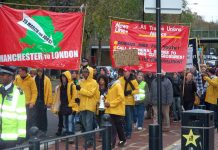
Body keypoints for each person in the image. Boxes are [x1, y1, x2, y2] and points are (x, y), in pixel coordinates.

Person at [0, 66, 26, 149]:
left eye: (3, 74)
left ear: (10, 77)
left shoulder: (18, 92)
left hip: (10, 137)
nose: (0, 76)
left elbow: (21, 115)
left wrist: (21, 135)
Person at [76, 67, 100, 147]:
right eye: (83, 72)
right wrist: (77, 98)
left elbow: (90, 94)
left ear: (89, 73)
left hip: (90, 105)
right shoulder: (81, 82)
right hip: (82, 105)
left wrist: (81, 89)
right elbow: (79, 93)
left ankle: (89, 140)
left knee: (88, 123)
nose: (84, 73)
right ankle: (90, 138)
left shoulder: (94, 82)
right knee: (84, 123)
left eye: (86, 72)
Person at [53, 71, 78, 136]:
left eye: (64, 77)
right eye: (62, 77)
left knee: (70, 121)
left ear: (67, 77)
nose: (63, 79)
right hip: (63, 106)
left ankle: (71, 135)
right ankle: (67, 133)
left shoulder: (72, 85)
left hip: (70, 107)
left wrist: (70, 105)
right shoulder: (60, 87)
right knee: (65, 121)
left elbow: (74, 97)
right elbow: (58, 97)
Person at [14, 67, 37, 138]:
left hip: (28, 104)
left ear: (25, 71)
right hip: (19, 103)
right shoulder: (17, 78)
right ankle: (20, 135)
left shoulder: (31, 80)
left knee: (28, 120)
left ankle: (27, 135)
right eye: (19, 71)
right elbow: (13, 87)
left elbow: (34, 92)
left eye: (20, 71)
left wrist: (32, 102)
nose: (19, 72)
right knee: (19, 119)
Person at [105, 72, 126, 148]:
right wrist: (105, 101)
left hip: (117, 111)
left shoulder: (117, 85)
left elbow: (120, 98)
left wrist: (110, 104)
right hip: (111, 110)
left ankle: (122, 140)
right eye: (109, 78)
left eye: (110, 78)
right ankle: (112, 143)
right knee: (113, 127)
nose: (109, 80)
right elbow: (109, 97)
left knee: (118, 127)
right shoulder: (110, 86)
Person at [119, 67, 139, 139]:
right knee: (122, 118)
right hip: (121, 101)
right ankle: (124, 131)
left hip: (129, 102)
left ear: (130, 72)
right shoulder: (120, 79)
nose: (125, 73)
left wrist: (130, 92)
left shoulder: (133, 80)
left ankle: (128, 132)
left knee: (129, 119)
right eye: (124, 71)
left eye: (126, 71)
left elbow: (137, 91)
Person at [34, 68, 52, 137]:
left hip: (43, 100)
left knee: (43, 116)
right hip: (36, 100)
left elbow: (49, 91)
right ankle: (37, 129)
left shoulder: (47, 79)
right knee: (37, 116)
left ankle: (44, 130)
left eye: (41, 71)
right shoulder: (34, 79)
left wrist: (49, 102)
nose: (39, 73)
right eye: (38, 71)